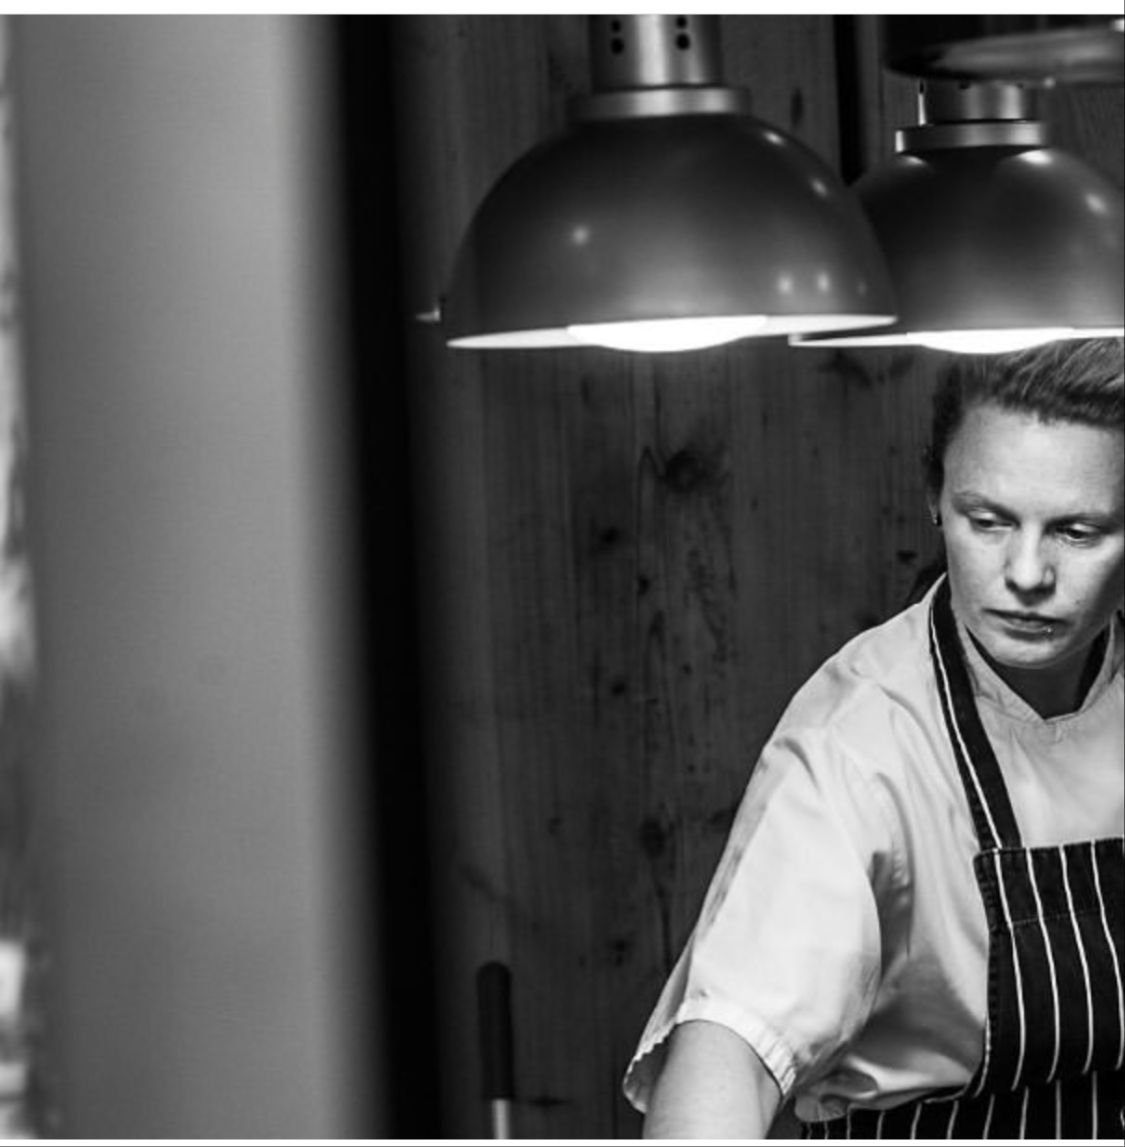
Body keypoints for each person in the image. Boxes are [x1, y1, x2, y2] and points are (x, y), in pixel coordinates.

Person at [623, 338, 1124, 1139]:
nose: (1026, 572)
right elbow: (731, 1048)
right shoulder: (855, 741)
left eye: (1075, 530)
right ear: (934, 496)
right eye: (986, 520)